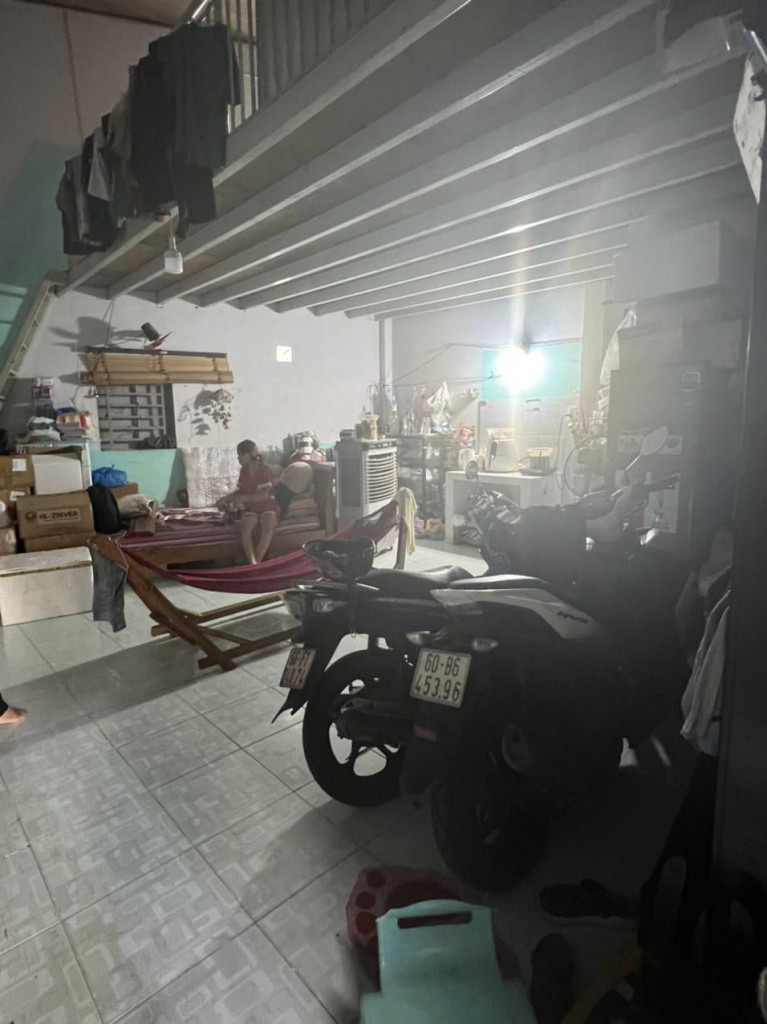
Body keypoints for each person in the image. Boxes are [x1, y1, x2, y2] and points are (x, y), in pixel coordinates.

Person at [218, 439, 280, 564]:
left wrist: (243, 498)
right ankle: (252, 562)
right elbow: (241, 491)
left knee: (268, 522)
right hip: (251, 507)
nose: (238, 459)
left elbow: (263, 495)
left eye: (239, 455)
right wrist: (226, 498)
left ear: (246, 456)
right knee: (246, 525)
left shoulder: (264, 470)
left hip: (267, 506)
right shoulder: (244, 471)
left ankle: (257, 562)